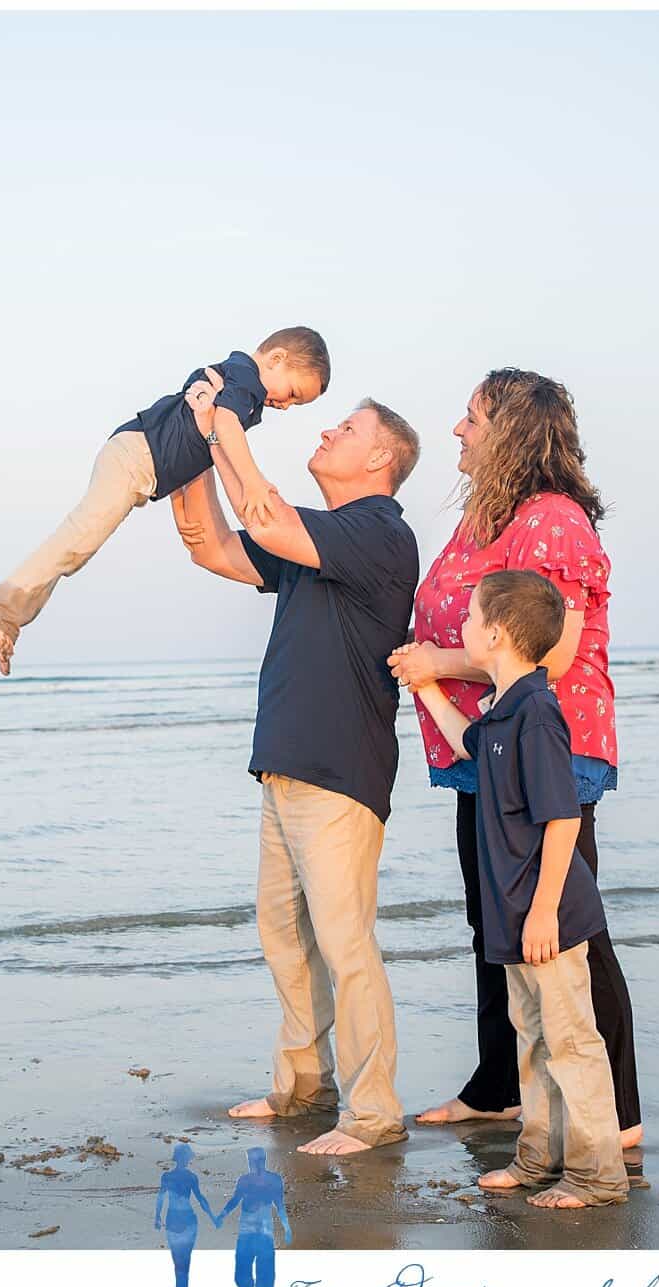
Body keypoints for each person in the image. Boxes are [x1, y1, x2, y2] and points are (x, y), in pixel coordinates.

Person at [390, 368, 642, 1152]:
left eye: (471, 418)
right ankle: (499, 1087)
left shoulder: (553, 522)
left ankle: (619, 1114)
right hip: (483, 748)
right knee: (491, 923)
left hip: (544, 747)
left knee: (570, 931)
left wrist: (435, 662)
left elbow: (552, 654)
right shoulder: (483, 522)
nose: (458, 431)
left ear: (511, 432)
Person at [171, 370, 420, 1156]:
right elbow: (214, 546)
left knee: (346, 947)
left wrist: (225, 428)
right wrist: (188, 452)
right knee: (285, 939)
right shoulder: (318, 541)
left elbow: (267, 519)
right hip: (284, 767)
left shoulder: (380, 532)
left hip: (340, 774)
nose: (324, 433)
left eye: (344, 429)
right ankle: (303, 1088)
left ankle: (373, 1114)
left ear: (382, 458)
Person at [411, 571, 629, 1209]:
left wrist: (541, 914)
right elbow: (467, 747)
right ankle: (538, 1159)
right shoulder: (503, 710)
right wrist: (425, 688)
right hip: (515, 912)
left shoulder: (536, 713)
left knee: (571, 1042)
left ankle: (597, 1174)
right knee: (532, 1039)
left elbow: (563, 818)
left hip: (546, 914)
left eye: (472, 618)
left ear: (498, 634)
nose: (462, 628)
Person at [0, 327, 331, 675]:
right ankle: (1, 614)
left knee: (80, 545)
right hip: (135, 456)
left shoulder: (235, 384)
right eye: (294, 393)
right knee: (78, 540)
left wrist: (182, 507)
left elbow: (191, 447)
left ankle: (7, 616)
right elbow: (222, 427)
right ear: (277, 358)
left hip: (142, 462)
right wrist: (254, 483)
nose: (287, 405)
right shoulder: (244, 379)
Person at [215, 1148, 291, 1287]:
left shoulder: (273, 1180)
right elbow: (235, 1199)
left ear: (262, 1160)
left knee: (262, 1269)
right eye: (251, 1160)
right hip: (249, 1228)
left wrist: (287, 1227)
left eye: (255, 1160)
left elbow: (279, 1204)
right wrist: (222, 1215)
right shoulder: (246, 1180)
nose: (252, 1164)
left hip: (262, 1229)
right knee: (245, 1268)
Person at [154, 1143, 216, 1287]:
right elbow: (200, 1199)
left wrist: (157, 1217)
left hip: (173, 1219)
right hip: (188, 1219)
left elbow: (161, 1197)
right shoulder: (191, 1177)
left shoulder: (167, 1176)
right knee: (185, 1258)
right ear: (188, 1159)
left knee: (177, 1259)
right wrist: (212, 1216)